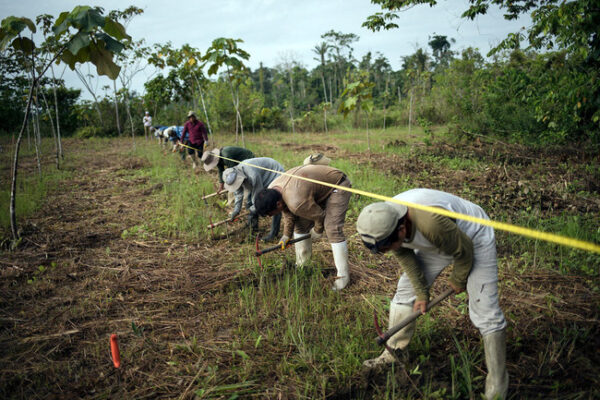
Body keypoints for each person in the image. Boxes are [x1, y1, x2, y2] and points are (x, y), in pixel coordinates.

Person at [355, 188, 508, 400]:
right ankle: (393, 354)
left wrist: (458, 279)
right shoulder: (386, 221)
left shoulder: (430, 223)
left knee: (484, 308)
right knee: (405, 292)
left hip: (472, 237)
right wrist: (421, 293)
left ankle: (497, 385)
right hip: (439, 242)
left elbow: (464, 251)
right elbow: (405, 256)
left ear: (401, 230)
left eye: (387, 246)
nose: (388, 251)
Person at [254, 164, 352, 291]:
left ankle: (343, 278)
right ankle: (303, 265)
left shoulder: (296, 202)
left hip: (337, 184)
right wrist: (286, 235)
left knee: (332, 228)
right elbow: (287, 211)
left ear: (277, 204)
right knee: (300, 226)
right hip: (312, 189)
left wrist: (317, 230)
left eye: (270, 213)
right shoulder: (273, 189)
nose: (270, 216)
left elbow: (319, 216)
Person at [222, 157, 284, 239]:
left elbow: (259, 196)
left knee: (272, 202)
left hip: (274, 173)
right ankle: (253, 228)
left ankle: (273, 234)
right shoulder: (236, 174)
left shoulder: (252, 175)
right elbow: (238, 193)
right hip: (262, 178)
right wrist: (236, 210)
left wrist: (253, 209)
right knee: (250, 203)